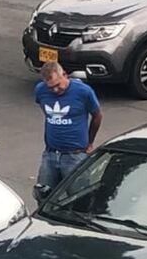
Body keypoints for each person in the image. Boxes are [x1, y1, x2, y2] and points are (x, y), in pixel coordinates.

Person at [34, 62, 102, 200]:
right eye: (51, 87)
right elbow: (45, 109)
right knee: (43, 196)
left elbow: (97, 116)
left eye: (58, 85)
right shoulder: (40, 90)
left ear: (64, 74)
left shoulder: (83, 92)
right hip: (51, 154)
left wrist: (90, 143)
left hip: (75, 155)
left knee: (79, 199)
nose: (55, 90)